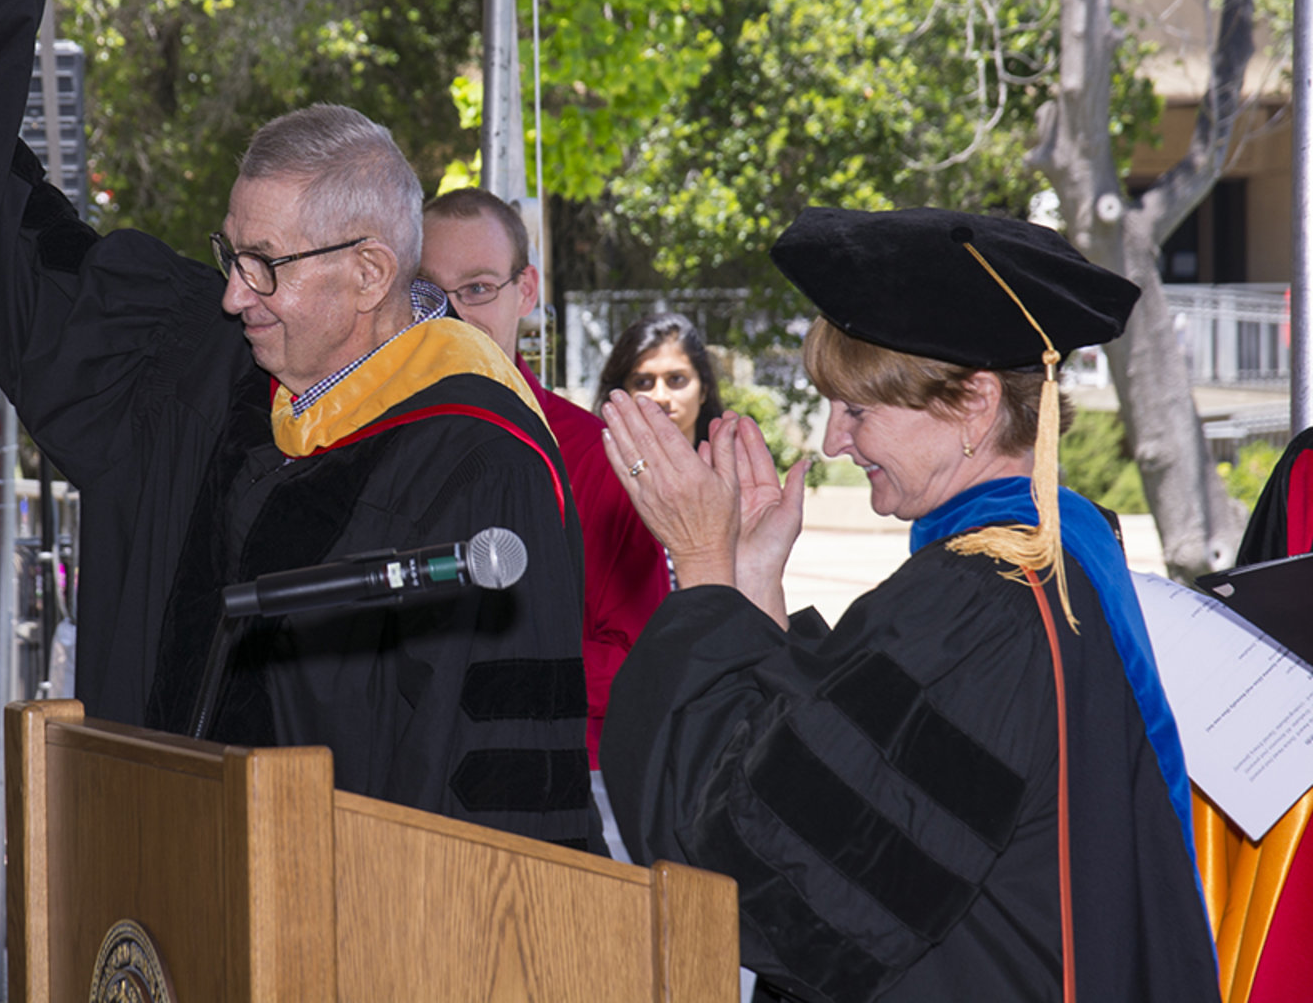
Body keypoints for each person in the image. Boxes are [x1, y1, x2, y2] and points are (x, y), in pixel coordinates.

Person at [0, 0, 590, 845]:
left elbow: (488, 798)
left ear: (369, 271)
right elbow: (7, 241)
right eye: (233, 254)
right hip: (158, 900)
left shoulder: (479, 457)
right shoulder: (201, 364)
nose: (234, 292)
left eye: (266, 266)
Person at [598, 207, 1218, 1002]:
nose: (831, 443)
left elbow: (760, 883)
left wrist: (702, 563)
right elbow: (826, 775)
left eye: (857, 410)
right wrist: (751, 581)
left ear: (973, 404)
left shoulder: (977, 610)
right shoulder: (1060, 547)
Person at [421, 187, 664, 859]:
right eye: (426, 292)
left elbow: (638, 660)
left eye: (475, 289)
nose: (450, 316)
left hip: (564, 785)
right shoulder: (377, 442)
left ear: (525, 290)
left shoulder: (594, 452)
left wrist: (464, 671)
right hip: (412, 785)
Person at [597, 311, 723, 449]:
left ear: (703, 390)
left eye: (676, 379)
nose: (660, 397)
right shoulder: (593, 467)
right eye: (643, 382)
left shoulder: (735, 466)